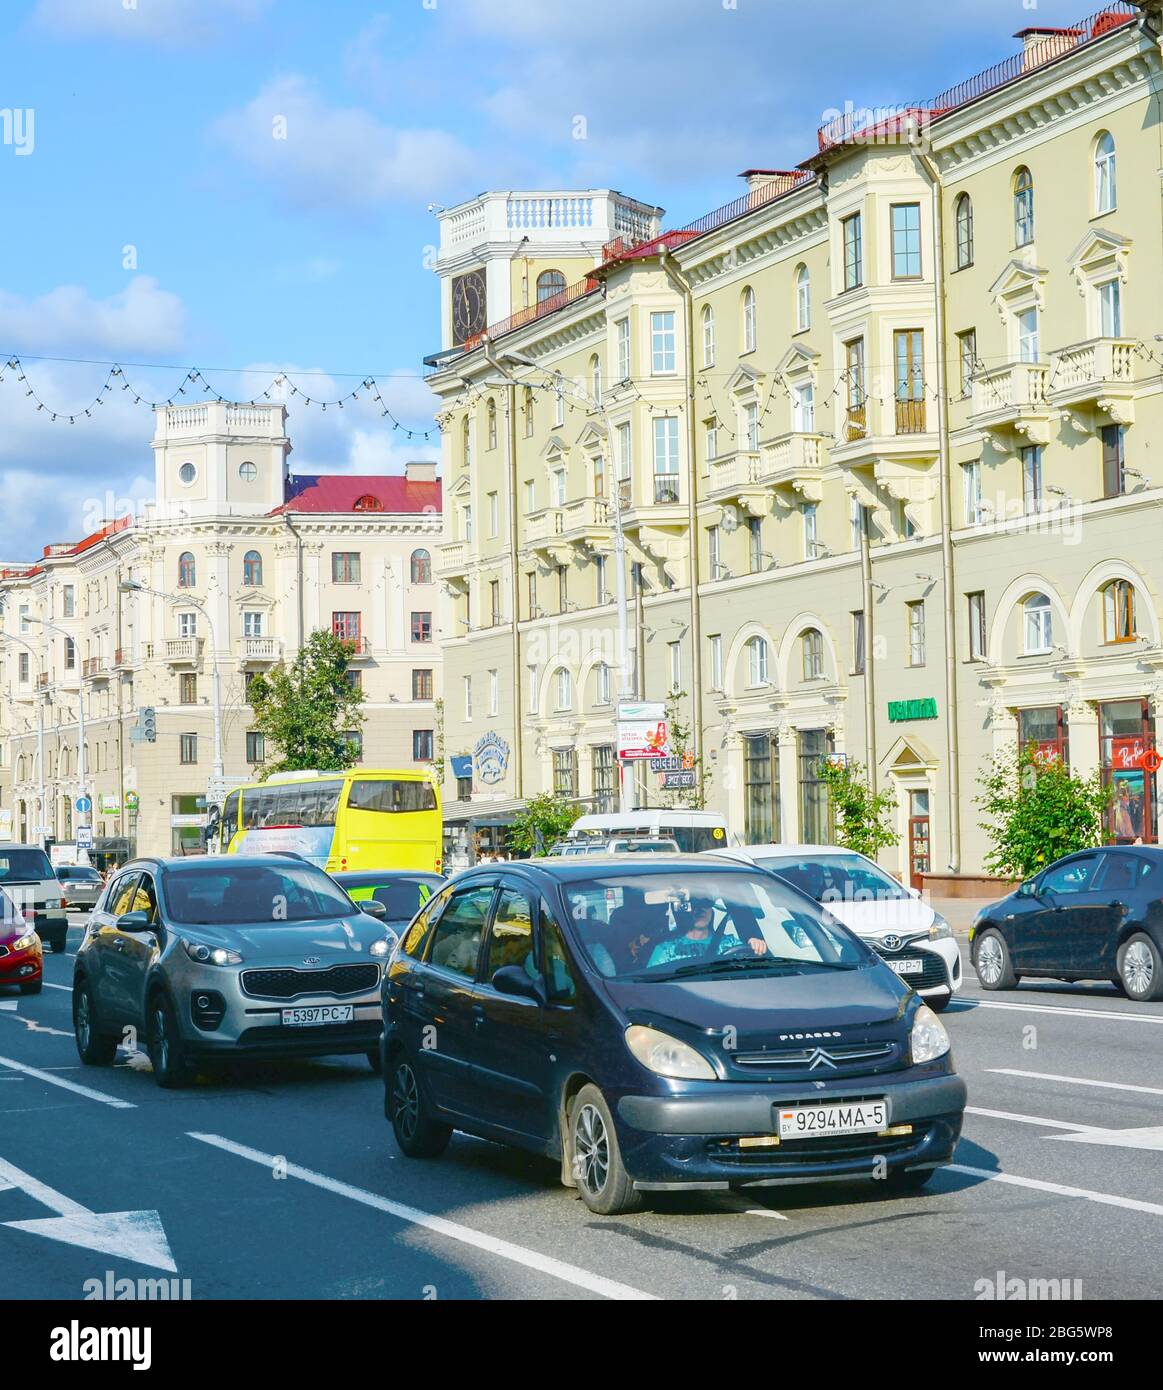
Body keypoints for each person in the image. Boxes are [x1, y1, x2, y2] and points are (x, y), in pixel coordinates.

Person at [647, 897, 768, 969]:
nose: (700, 910)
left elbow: (750, 968)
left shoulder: (731, 944)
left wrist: (756, 946)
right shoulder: (665, 949)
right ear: (685, 911)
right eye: (694, 904)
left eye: (705, 903)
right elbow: (654, 983)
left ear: (712, 910)